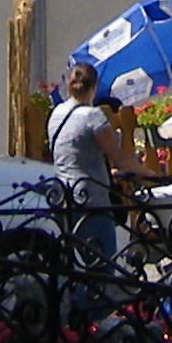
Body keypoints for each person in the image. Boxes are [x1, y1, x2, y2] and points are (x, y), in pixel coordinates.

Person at [43, 59, 123, 272]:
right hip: (91, 199)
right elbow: (119, 158)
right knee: (102, 268)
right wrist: (149, 173)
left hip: (62, 197)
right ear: (94, 87)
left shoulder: (56, 113)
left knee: (73, 267)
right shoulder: (92, 116)